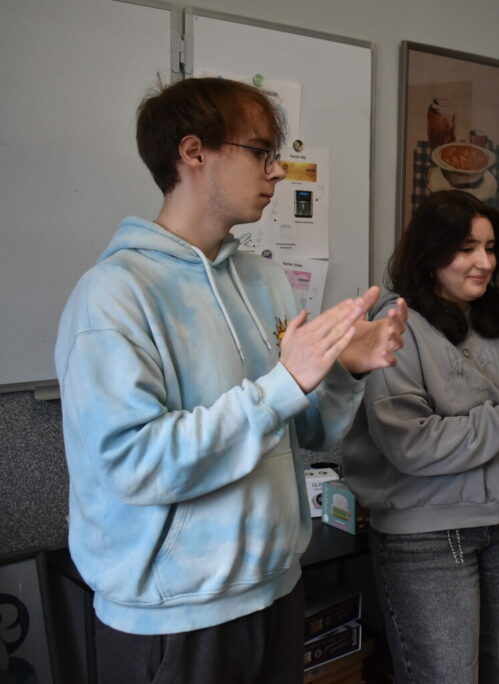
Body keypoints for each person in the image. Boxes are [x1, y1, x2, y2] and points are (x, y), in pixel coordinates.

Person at [54, 76, 407, 683]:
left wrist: (343, 369)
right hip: (172, 616)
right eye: (261, 151)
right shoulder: (114, 295)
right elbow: (134, 463)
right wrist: (283, 384)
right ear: (193, 152)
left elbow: (309, 430)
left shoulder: (265, 280)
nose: (278, 172)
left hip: (276, 590)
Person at [341, 189, 499, 684]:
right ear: (431, 252)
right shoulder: (395, 327)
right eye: (467, 249)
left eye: (490, 248)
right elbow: (412, 445)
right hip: (428, 535)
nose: (484, 262)